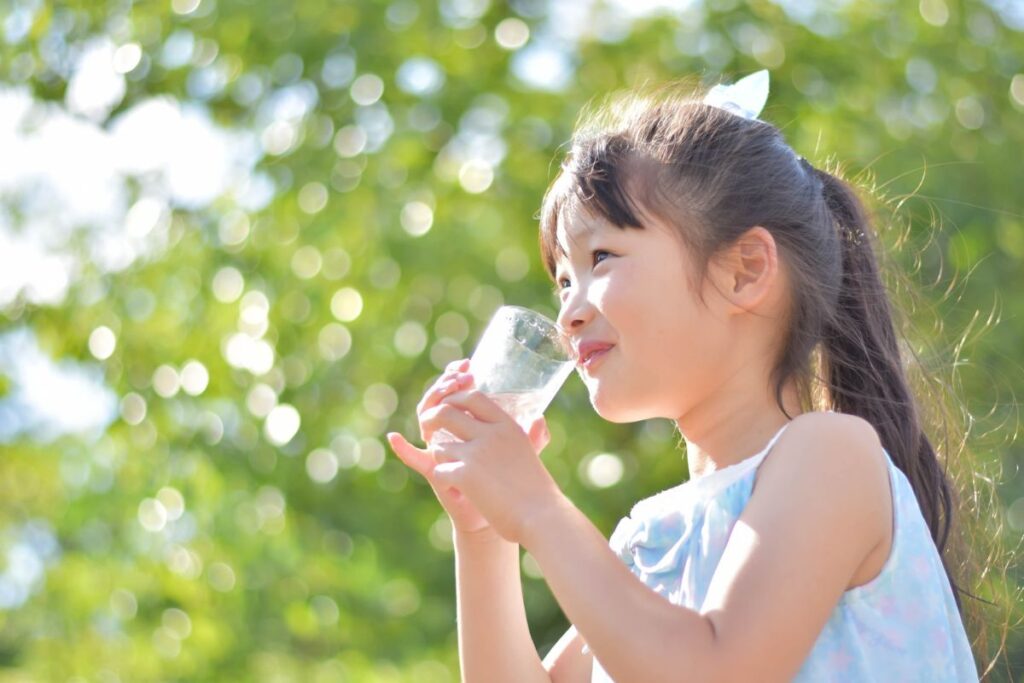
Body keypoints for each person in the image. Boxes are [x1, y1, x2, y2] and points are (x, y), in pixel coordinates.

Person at [386, 71, 981, 681]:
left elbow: (711, 668)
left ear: (745, 271)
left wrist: (538, 510)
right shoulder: (649, 542)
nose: (569, 310)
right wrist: (485, 533)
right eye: (563, 280)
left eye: (601, 258)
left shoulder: (831, 456)